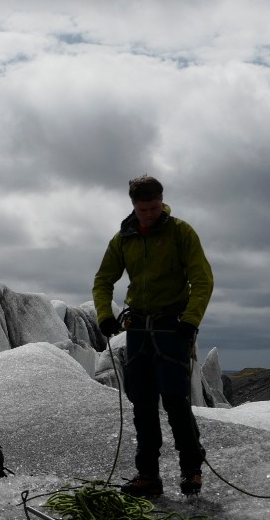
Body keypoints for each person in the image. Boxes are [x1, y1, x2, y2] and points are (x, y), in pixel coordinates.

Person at [91, 175, 215, 498]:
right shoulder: (123, 239)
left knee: (175, 400)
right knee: (142, 403)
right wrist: (104, 314)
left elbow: (202, 279)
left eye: (155, 207)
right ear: (134, 206)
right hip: (139, 330)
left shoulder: (181, 233)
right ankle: (148, 475)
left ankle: (192, 470)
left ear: (162, 201)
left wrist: (190, 321)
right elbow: (103, 279)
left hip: (172, 328)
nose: (150, 214)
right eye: (144, 209)